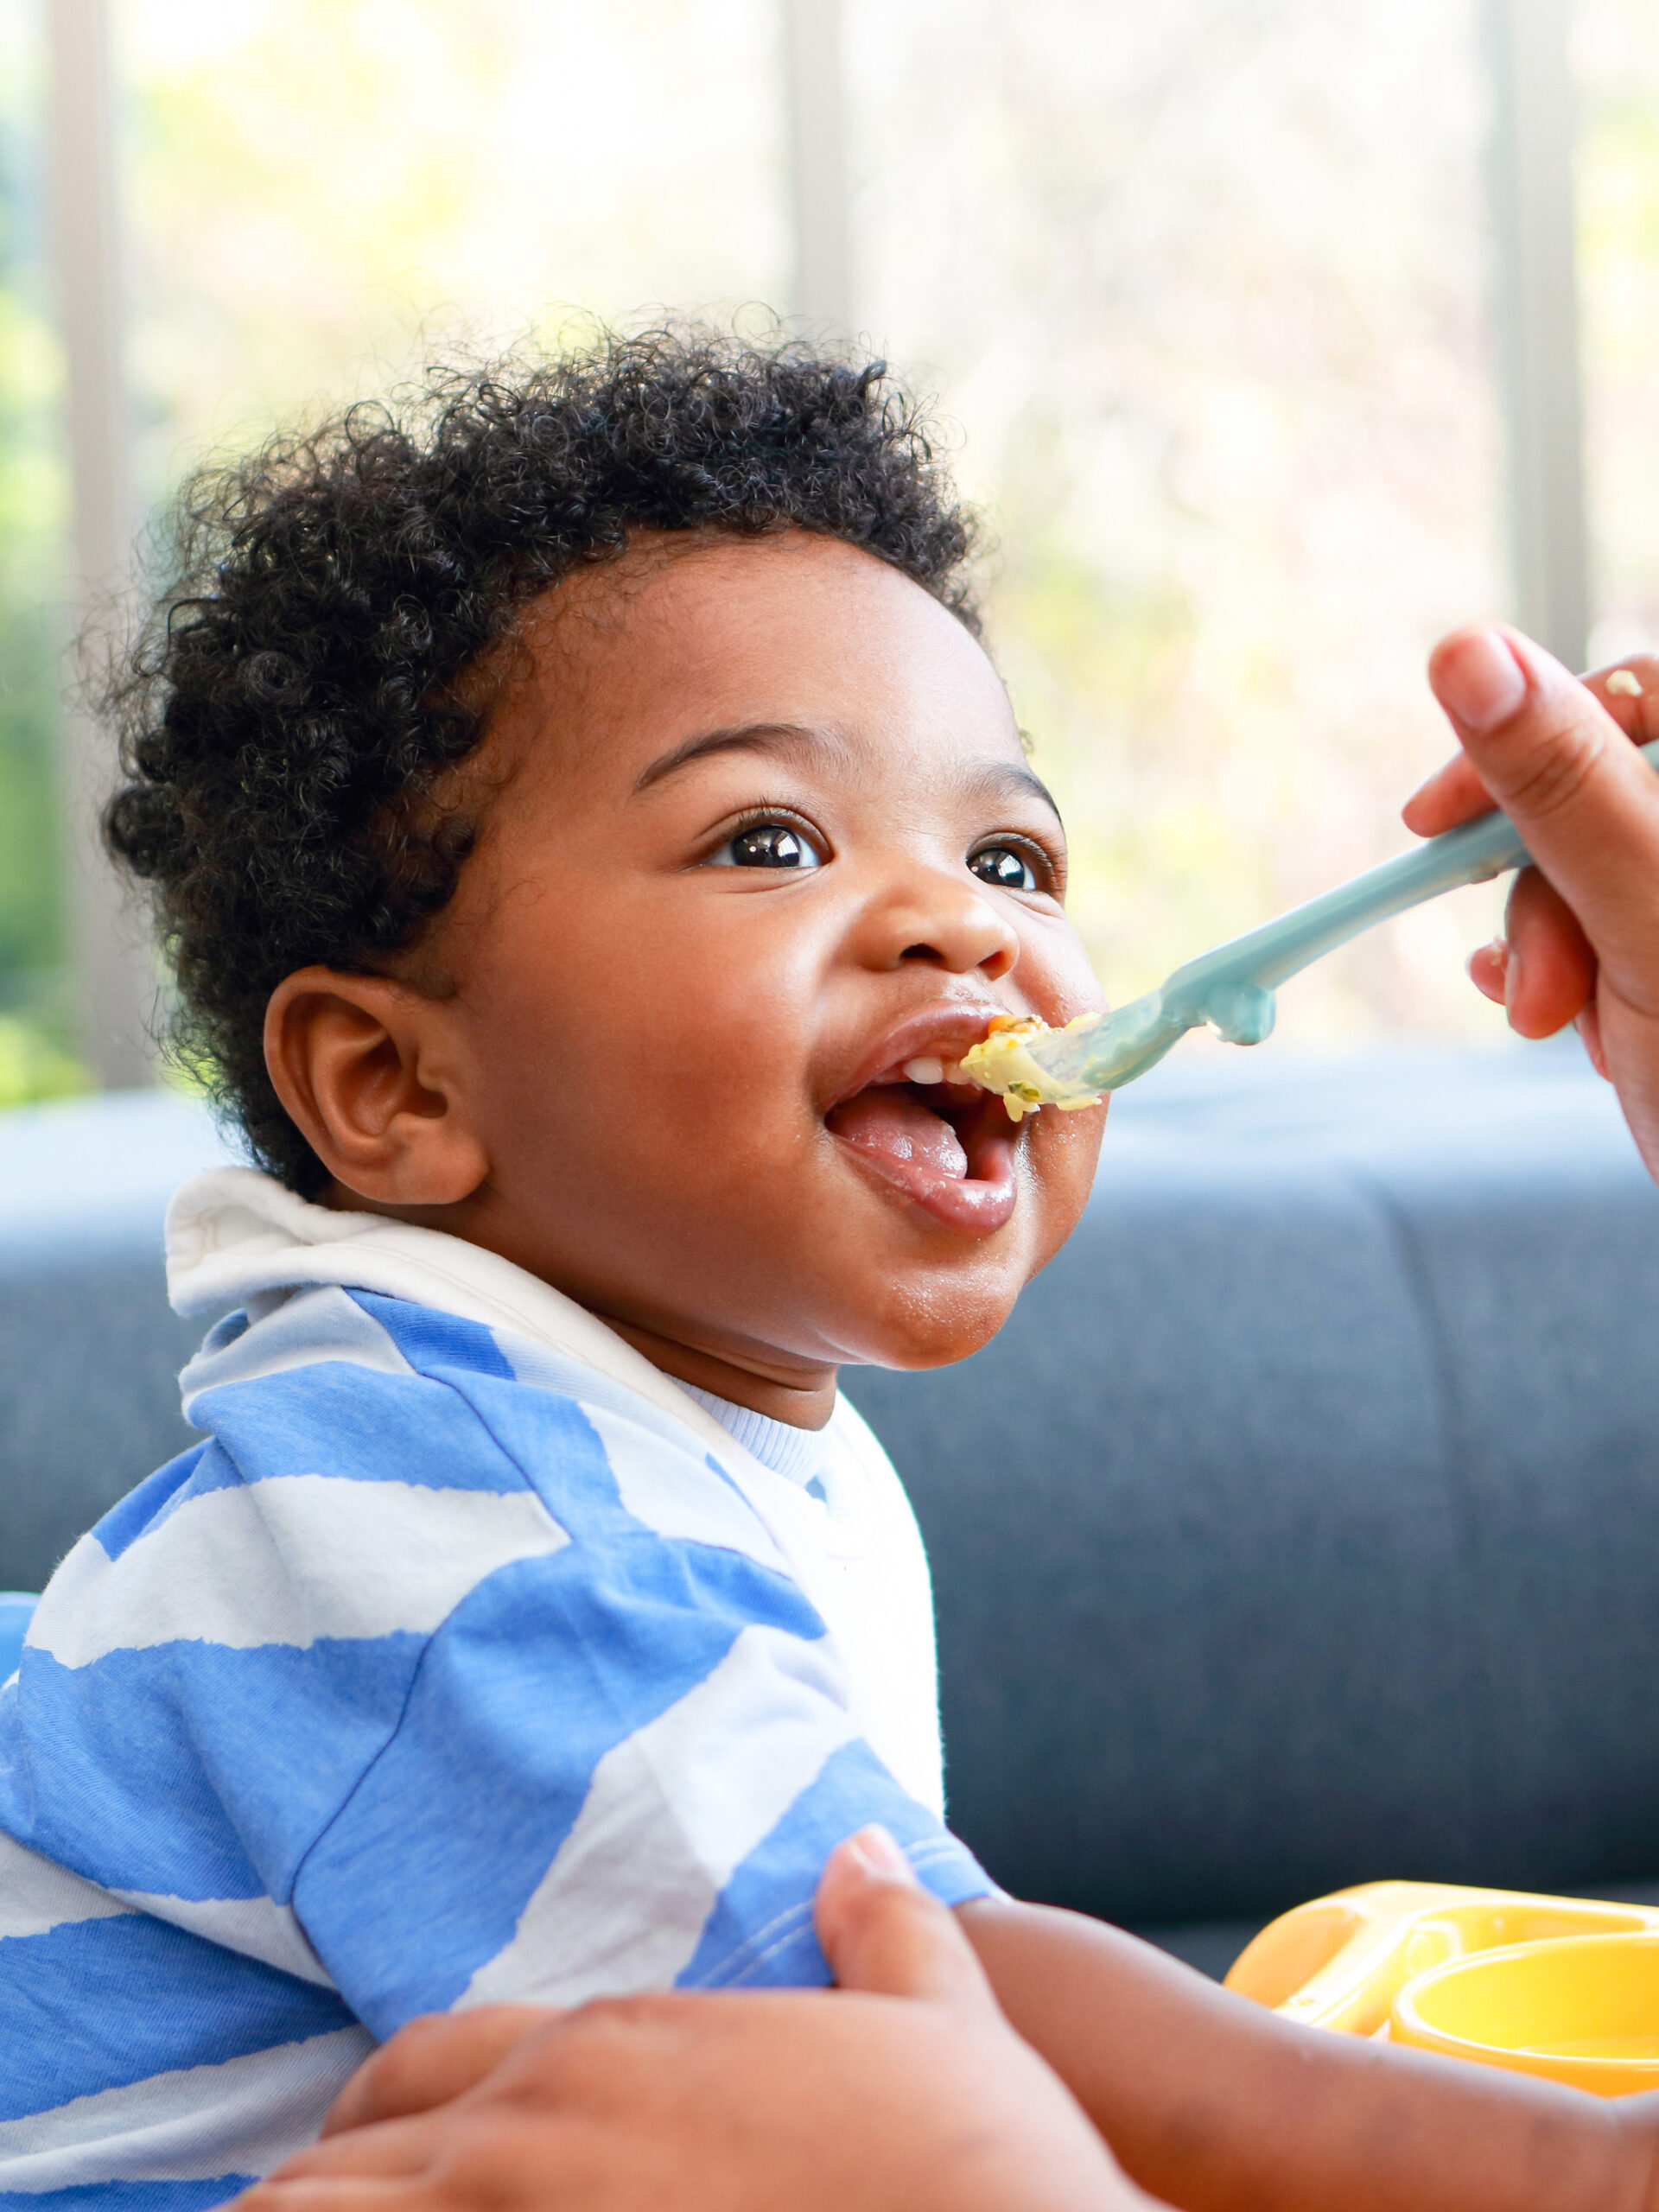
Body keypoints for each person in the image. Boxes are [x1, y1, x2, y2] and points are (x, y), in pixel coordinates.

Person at [3, 317, 1654, 2211]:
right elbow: (909, 2022)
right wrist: (1584, 2173)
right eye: (771, 836)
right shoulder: (448, 1520)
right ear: (396, 1082)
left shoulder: (647, 1433)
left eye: (1016, 860)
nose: (960, 918)